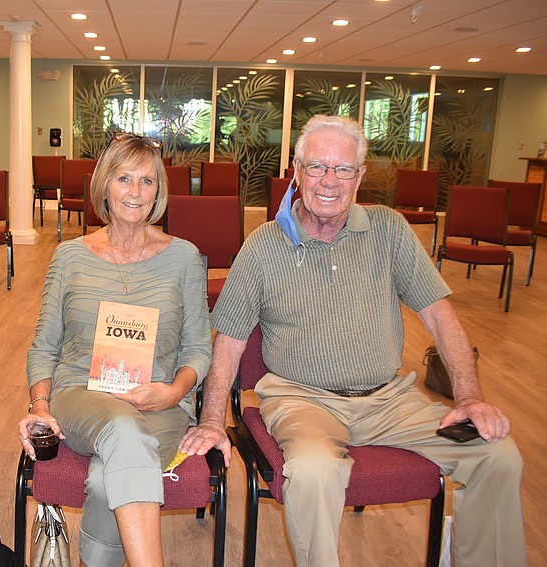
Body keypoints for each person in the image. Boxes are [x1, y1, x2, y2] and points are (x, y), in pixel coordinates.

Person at [180, 115, 526, 566]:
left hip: (391, 400)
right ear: (297, 171)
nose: (329, 181)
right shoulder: (265, 244)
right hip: (301, 398)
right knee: (313, 471)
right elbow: (229, 342)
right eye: (317, 167)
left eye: (343, 169)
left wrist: (470, 397)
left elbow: (441, 318)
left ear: (360, 176)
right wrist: (210, 420)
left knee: (496, 454)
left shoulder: (389, 230)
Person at [17, 132, 212, 567]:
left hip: (160, 404)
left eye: (147, 181)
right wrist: (40, 404)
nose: (136, 191)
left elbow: (199, 347)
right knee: (122, 427)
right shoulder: (69, 256)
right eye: (125, 178)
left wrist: (173, 392)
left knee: (108, 482)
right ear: (104, 184)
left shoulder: (183, 257)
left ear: (159, 191)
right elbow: (43, 346)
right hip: (80, 397)